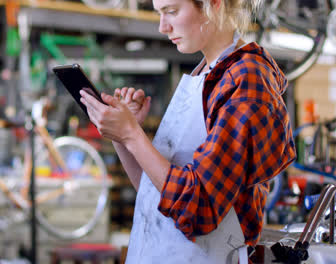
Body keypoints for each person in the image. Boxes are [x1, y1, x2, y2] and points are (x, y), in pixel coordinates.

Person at [80, 0, 296, 263]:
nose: (162, 26)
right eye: (159, 13)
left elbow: (199, 208)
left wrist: (132, 136)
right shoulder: (204, 72)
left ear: (213, 4)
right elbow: (155, 194)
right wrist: (124, 134)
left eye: (171, 11)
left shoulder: (247, 79)